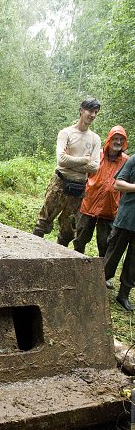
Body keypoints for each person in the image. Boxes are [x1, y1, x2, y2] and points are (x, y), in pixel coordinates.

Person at [33, 98, 101, 246]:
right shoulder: (66, 133)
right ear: (82, 110)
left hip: (78, 186)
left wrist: (71, 163)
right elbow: (61, 161)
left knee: (68, 229)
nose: (93, 115)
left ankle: (58, 260)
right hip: (60, 182)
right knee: (43, 221)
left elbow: (95, 167)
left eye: (96, 112)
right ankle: (30, 254)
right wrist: (84, 159)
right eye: (90, 111)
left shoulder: (95, 139)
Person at [73, 125, 129, 258]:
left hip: (110, 209)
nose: (118, 142)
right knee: (80, 239)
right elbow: (82, 173)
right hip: (88, 204)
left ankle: (102, 274)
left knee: (105, 244)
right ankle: (76, 265)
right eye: (115, 138)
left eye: (121, 139)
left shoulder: (126, 161)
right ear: (109, 139)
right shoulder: (97, 155)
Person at [104, 154, 135, 312]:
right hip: (126, 217)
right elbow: (118, 184)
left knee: (134, 263)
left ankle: (123, 294)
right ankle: (100, 283)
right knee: (113, 253)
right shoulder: (133, 160)